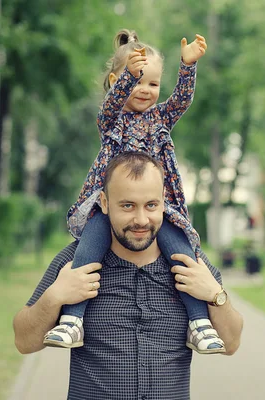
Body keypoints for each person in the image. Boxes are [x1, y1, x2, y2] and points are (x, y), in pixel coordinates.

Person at [42, 29, 225, 354]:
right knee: (88, 249)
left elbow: (182, 99)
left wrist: (188, 67)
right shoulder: (111, 120)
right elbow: (114, 100)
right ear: (117, 80)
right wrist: (130, 75)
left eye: (153, 83)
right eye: (138, 81)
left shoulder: (161, 118)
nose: (146, 90)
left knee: (183, 255)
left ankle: (199, 323)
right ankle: (72, 321)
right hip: (111, 206)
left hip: (158, 207)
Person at [13, 152, 244, 400]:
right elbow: (24, 342)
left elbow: (230, 344)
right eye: (127, 205)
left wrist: (215, 295)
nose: (141, 219)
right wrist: (55, 297)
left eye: (151, 205)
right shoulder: (74, 262)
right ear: (104, 203)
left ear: (164, 203)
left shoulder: (193, 264)